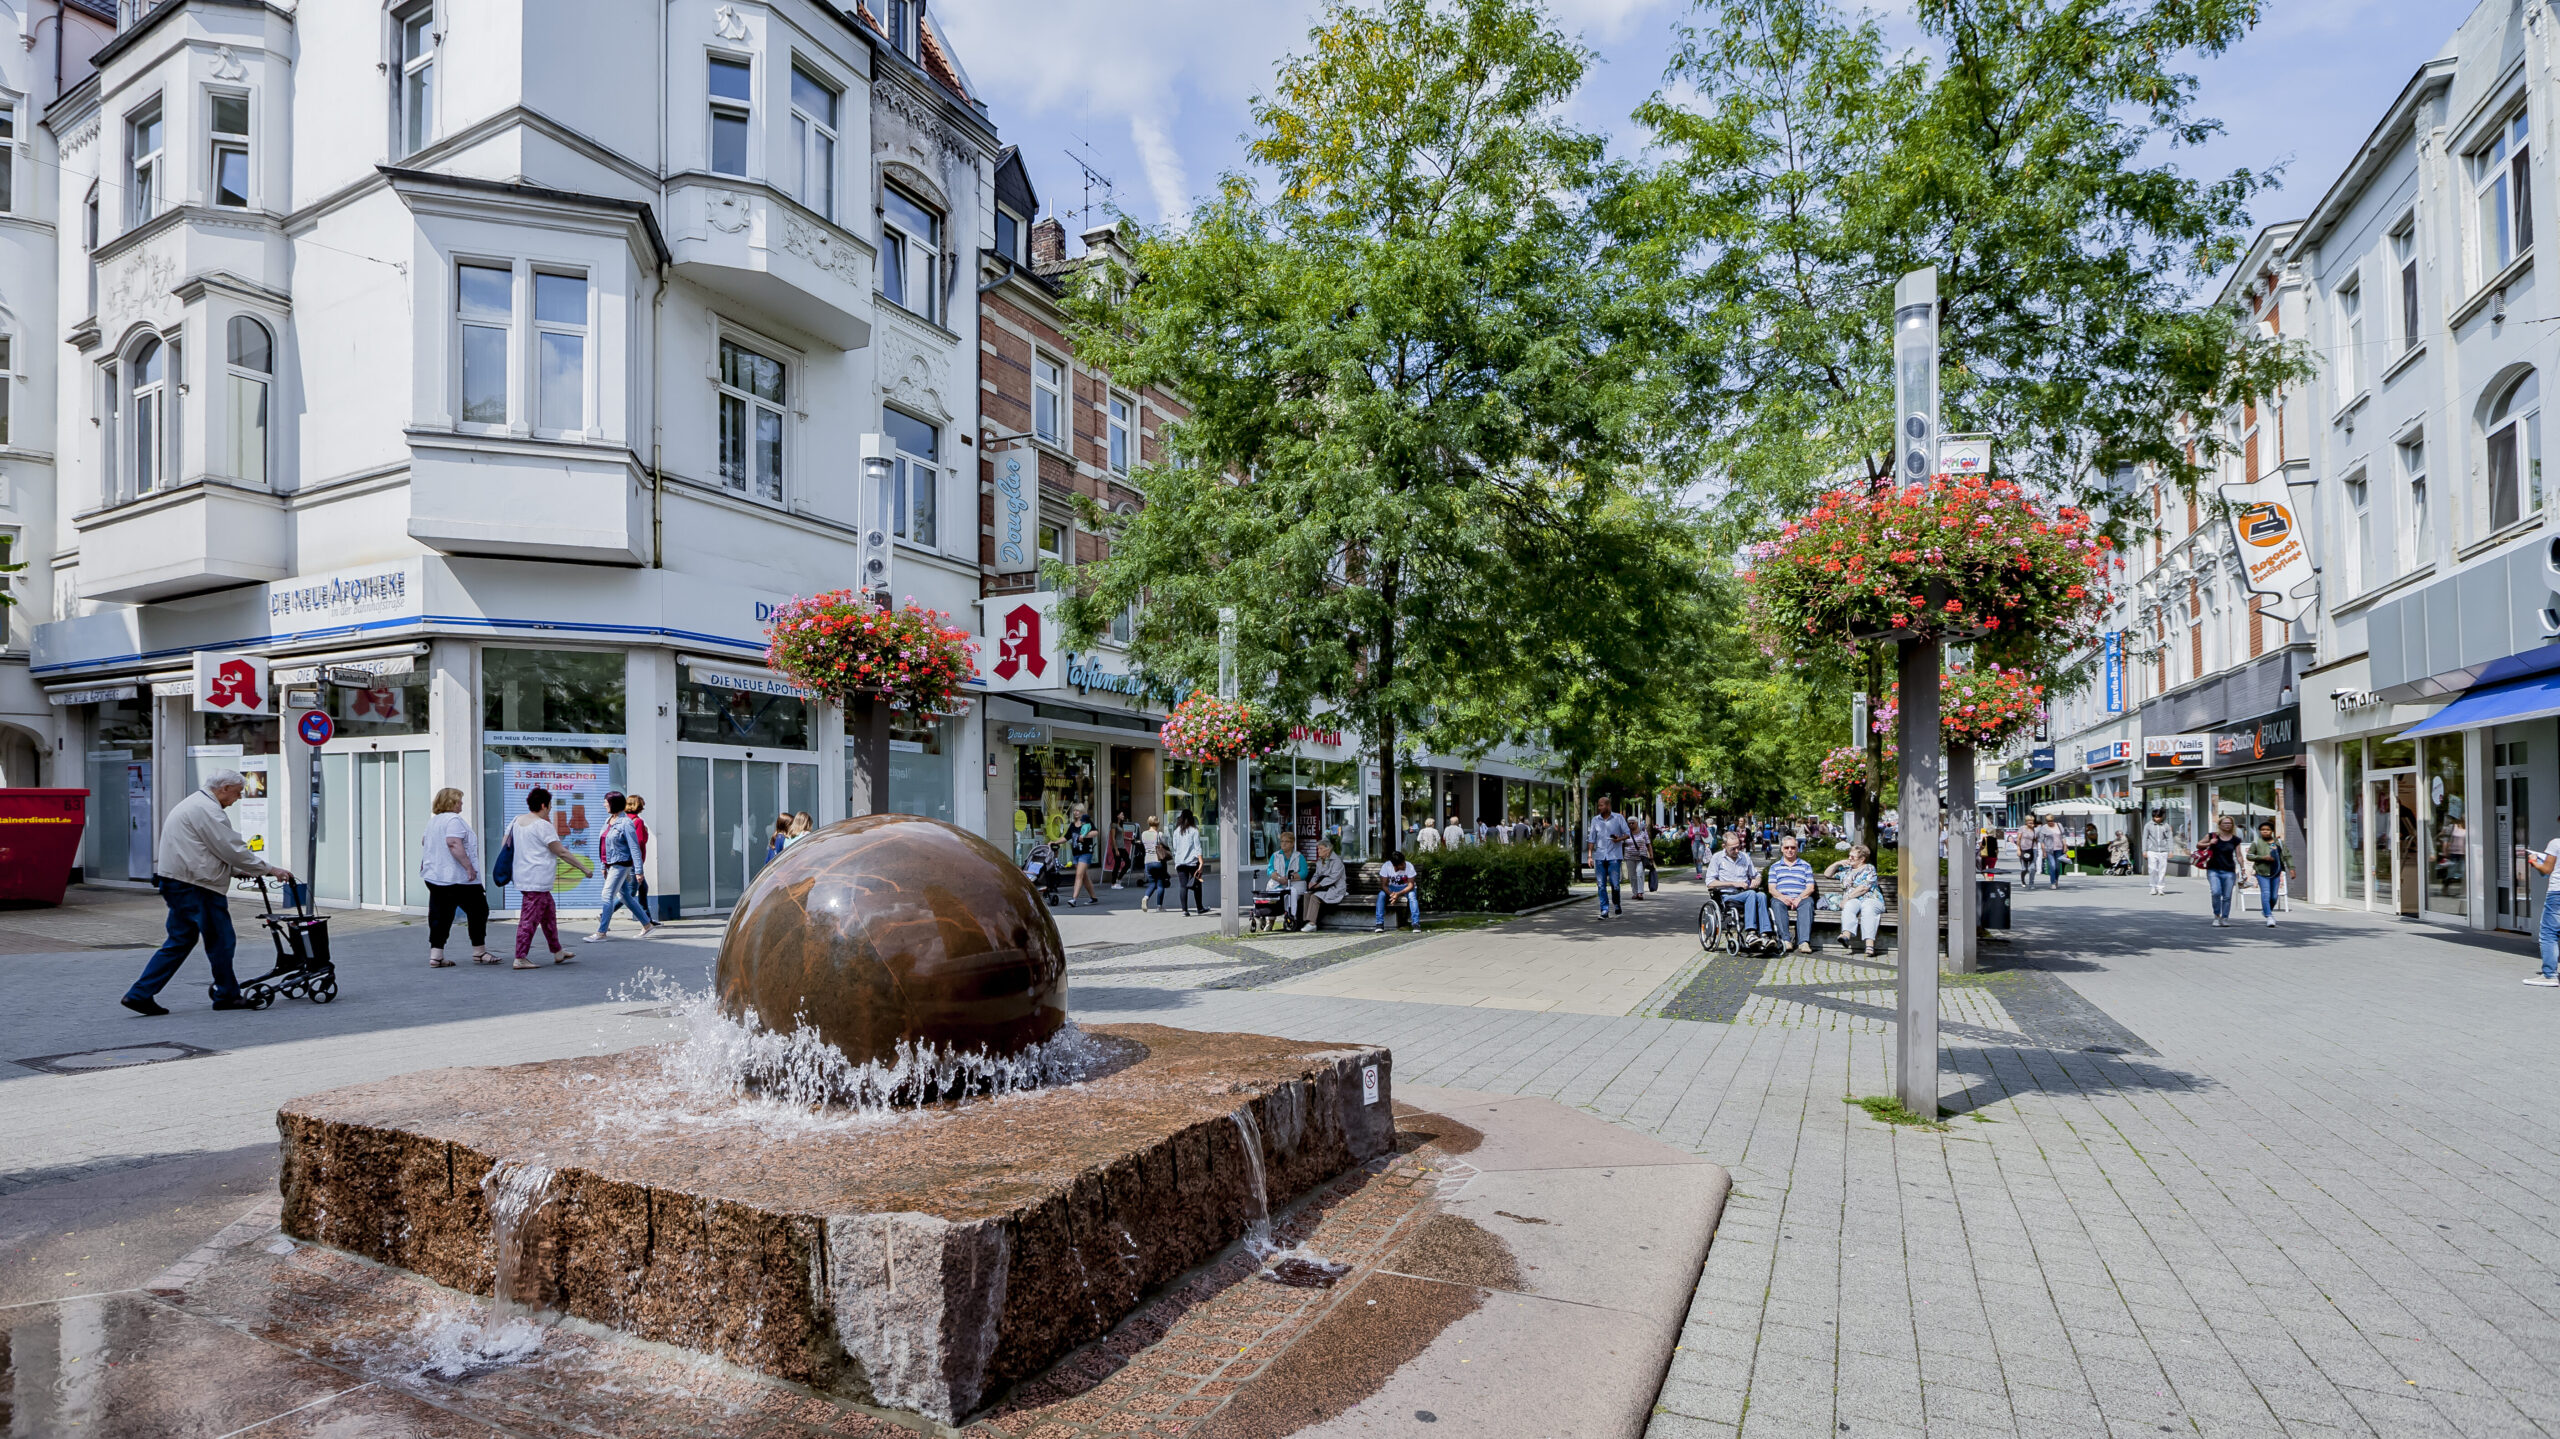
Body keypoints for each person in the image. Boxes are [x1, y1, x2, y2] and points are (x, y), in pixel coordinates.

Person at [121, 770, 296, 1015]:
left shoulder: (194, 804)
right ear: (224, 788)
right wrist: (268, 869)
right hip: (197, 886)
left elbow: (205, 850)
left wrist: (234, 871)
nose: (238, 799)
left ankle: (139, 994)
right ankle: (226, 995)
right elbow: (231, 849)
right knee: (221, 940)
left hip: (178, 881)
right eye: (237, 793)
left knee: (180, 940)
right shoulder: (208, 811)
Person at [511, 786, 595, 967]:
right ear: (544, 805)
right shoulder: (543, 826)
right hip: (537, 879)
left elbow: (506, 844)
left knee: (549, 914)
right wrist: (583, 868)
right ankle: (520, 957)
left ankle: (557, 951)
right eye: (550, 805)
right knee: (529, 919)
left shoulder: (516, 821)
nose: (550, 809)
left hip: (524, 876)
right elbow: (561, 851)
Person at [419, 786, 490, 967]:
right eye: (459, 800)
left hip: (435, 876)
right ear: (451, 802)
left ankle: (436, 955)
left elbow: (425, 842)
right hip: (457, 877)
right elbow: (453, 843)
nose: (462, 803)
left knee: (440, 915)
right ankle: (479, 951)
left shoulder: (433, 821)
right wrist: (469, 867)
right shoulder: (454, 820)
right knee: (479, 911)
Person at [587, 793, 659, 942]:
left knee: (607, 895)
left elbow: (635, 848)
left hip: (621, 864)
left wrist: (639, 871)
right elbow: (604, 845)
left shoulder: (626, 823)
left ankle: (601, 932)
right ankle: (647, 925)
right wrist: (603, 865)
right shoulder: (609, 821)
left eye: (606, 802)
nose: (604, 804)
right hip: (611, 864)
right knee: (625, 896)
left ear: (613, 803)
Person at [1705, 828, 1770, 939]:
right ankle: (1751, 932)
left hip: (1745, 893)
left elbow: (1756, 875)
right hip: (1727, 896)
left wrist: (1756, 880)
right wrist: (1734, 884)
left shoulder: (1744, 857)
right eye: (1733, 849)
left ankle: (1766, 933)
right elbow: (1710, 883)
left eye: (1738, 847)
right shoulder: (1717, 858)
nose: (1736, 851)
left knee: (1761, 895)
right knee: (1751, 894)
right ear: (1724, 846)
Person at [1828, 844, 1885, 957]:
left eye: (1852, 857)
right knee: (1849, 906)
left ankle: (1869, 946)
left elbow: (1864, 888)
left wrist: (1847, 898)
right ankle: (1845, 936)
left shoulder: (1869, 868)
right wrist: (1837, 863)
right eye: (1849, 856)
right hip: (1854, 900)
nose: (1849, 858)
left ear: (1862, 859)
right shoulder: (1846, 870)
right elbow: (1827, 874)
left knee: (1867, 909)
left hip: (1871, 898)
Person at [1767, 836, 1819, 953]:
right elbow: (1771, 889)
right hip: (1781, 897)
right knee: (1776, 903)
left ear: (1797, 849)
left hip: (1802, 897)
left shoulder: (1805, 866)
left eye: (1793, 847)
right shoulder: (1774, 867)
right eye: (1786, 847)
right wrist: (1782, 897)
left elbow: (1810, 887)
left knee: (1808, 904)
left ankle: (1804, 942)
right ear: (1782, 849)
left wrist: (1799, 898)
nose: (1790, 850)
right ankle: (1785, 940)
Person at [1585, 795, 1631, 920]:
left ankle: (1616, 905)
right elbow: (1591, 839)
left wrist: (1619, 839)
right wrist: (1590, 856)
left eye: (1601, 805)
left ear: (1608, 806)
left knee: (1615, 884)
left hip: (1614, 856)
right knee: (1601, 884)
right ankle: (1604, 910)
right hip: (1599, 856)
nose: (1599, 808)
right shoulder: (1595, 820)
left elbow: (1627, 834)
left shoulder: (1618, 818)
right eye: (1598, 805)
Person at [2526, 820, 2560, 986]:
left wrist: (2534, 861)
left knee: (2548, 933)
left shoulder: (2556, 843)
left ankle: (2549, 975)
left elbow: (2547, 870)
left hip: (2557, 893)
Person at [2200, 814, 2243, 927]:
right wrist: (2210, 843)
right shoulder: (2212, 836)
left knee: (2227, 896)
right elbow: (2198, 844)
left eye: (2229, 823)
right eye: (2225, 823)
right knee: (2216, 892)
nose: (2227, 825)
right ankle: (2216, 916)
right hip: (2213, 869)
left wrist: (2242, 867)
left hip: (2229, 870)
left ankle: (2225, 918)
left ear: (2232, 825)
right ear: (2219, 825)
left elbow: (2239, 855)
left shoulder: (2235, 839)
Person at [2246, 820, 2288, 926]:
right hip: (2262, 872)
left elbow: (2286, 856)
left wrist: (2291, 868)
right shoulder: (2256, 843)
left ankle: (2266, 910)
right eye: (2263, 830)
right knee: (2266, 893)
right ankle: (2269, 916)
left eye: (2268, 830)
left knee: (2274, 896)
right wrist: (2262, 858)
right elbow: (2249, 856)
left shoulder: (2279, 843)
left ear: (2272, 831)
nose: (2265, 832)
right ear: (2260, 831)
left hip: (2275, 872)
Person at [1264, 830, 1309, 929]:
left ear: (1292, 843)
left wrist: (1291, 877)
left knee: (1291, 894)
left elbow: (1304, 872)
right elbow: (1270, 869)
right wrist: (1278, 878)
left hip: (1294, 884)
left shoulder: (1299, 856)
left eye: (1286, 841)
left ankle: (1290, 918)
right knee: (1273, 896)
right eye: (1282, 841)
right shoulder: (1275, 855)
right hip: (1278, 883)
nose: (1283, 844)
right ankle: (1270, 921)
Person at [1374, 849, 1422, 931]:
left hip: (1406, 888)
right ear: (1395, 866)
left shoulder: (1409, 866)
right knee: (1381, 895)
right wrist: (1392, 894)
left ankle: (1416, 923)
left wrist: (1398, 894)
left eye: (1404, 862)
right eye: (1401, 864)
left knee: (1412, 896)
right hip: (1392, 888)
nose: (1404, 865)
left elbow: (1411, 885)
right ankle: (1379, 923)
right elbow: (1383, 885)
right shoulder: (1386, 866)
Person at [623, 793, 654, 920]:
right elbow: (640, 842)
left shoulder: (624, 820)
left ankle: (648, 919)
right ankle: (604, 915)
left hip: (626, 860)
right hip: (634, 862)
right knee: (629, 893)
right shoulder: (638, 822)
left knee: (643, 888)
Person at [1307, 840, 1348, 931]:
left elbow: (1333, 877)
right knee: (1307, 895)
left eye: (1321, 849)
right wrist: (1312, 882)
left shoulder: (1337, 861)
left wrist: (1318, 885)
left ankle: (1312, 923)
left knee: (1314, 897)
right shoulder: (1320, 861)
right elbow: (1316, 875)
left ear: (1328, 850)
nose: (1319, 851)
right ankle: (1305, 921)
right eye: (1318, 849)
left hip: (1335, 888)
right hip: (1323, 888)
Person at [1170, 810, 1205, 915]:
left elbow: (1175, 847)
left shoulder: (1176, 831)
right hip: (1192, 862)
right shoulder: (1194, 830)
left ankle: (1184, 910)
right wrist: (1201, 862)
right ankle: (1199, 908)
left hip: (1180, 862)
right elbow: (1197, 847)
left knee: (1183, 886)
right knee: (1197, 884)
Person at [1066, 805, 1101, 907]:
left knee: (1079, 875)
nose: (1075, 812)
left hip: (1086, 852)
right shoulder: (1072, 825)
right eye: (1074, 811)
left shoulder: (1086, 822)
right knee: (1084, 877)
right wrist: (1055, 842)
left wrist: (1084, 835)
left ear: (1082, 812)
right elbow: (1066, 837)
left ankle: (1074, 899)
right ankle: (1093, 897)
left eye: (1078, 811)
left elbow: (1095, 832)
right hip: (1076, 853)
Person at [1136, 816, 1168, 911]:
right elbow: (1167, 844)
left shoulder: (1143, 834)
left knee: (1152, 883)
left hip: (1148, 862)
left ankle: (1145, 897)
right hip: (1158, 861)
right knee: (1160, 884)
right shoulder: (1159, 834)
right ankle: (1159, 906)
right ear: (1158, 824)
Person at [2142, 808, 2174, 894]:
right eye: (2155, 817)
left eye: (2159, 817)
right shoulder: (2148, 825)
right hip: (2152, 850)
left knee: (2162, 870)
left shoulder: (2166, 826)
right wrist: (2144, 850)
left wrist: (2170, 850)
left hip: (2163, 851)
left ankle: (2160, 887)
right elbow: (2145, 838)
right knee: (2152, 869)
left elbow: (2169, 838)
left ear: (2162, 816)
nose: (2157, 819)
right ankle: (2153, 886)